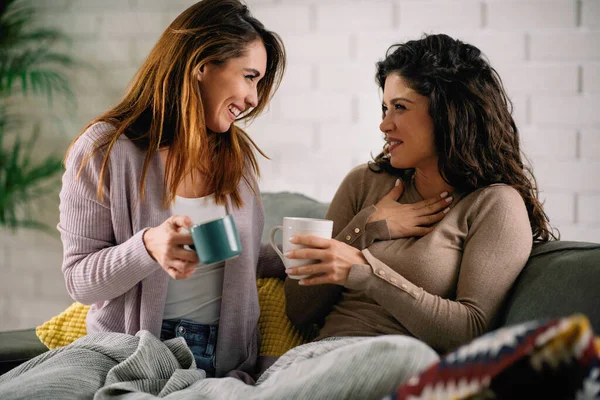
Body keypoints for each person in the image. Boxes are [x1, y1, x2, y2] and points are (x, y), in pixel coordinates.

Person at [259, 32, 555, 392]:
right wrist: (367, 226)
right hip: (315, 363)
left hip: (401, 369)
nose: (385, 124)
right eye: (384, 108)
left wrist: (366, 272)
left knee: (411, 358)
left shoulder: (493, 205)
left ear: (449, 112)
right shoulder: (365, 183)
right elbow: (301, 310)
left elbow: (471, 331)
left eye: (400, 107)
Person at [54, 0, 284, 379]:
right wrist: (147, 247)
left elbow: (231, 256)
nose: (253, 99)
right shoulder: (104, 150)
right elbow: (79, 279)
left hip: (225, 367)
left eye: (258, 83)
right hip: (130, 356)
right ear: (201, 66)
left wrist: (300, 255)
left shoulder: (235, 156)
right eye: (249, 76)